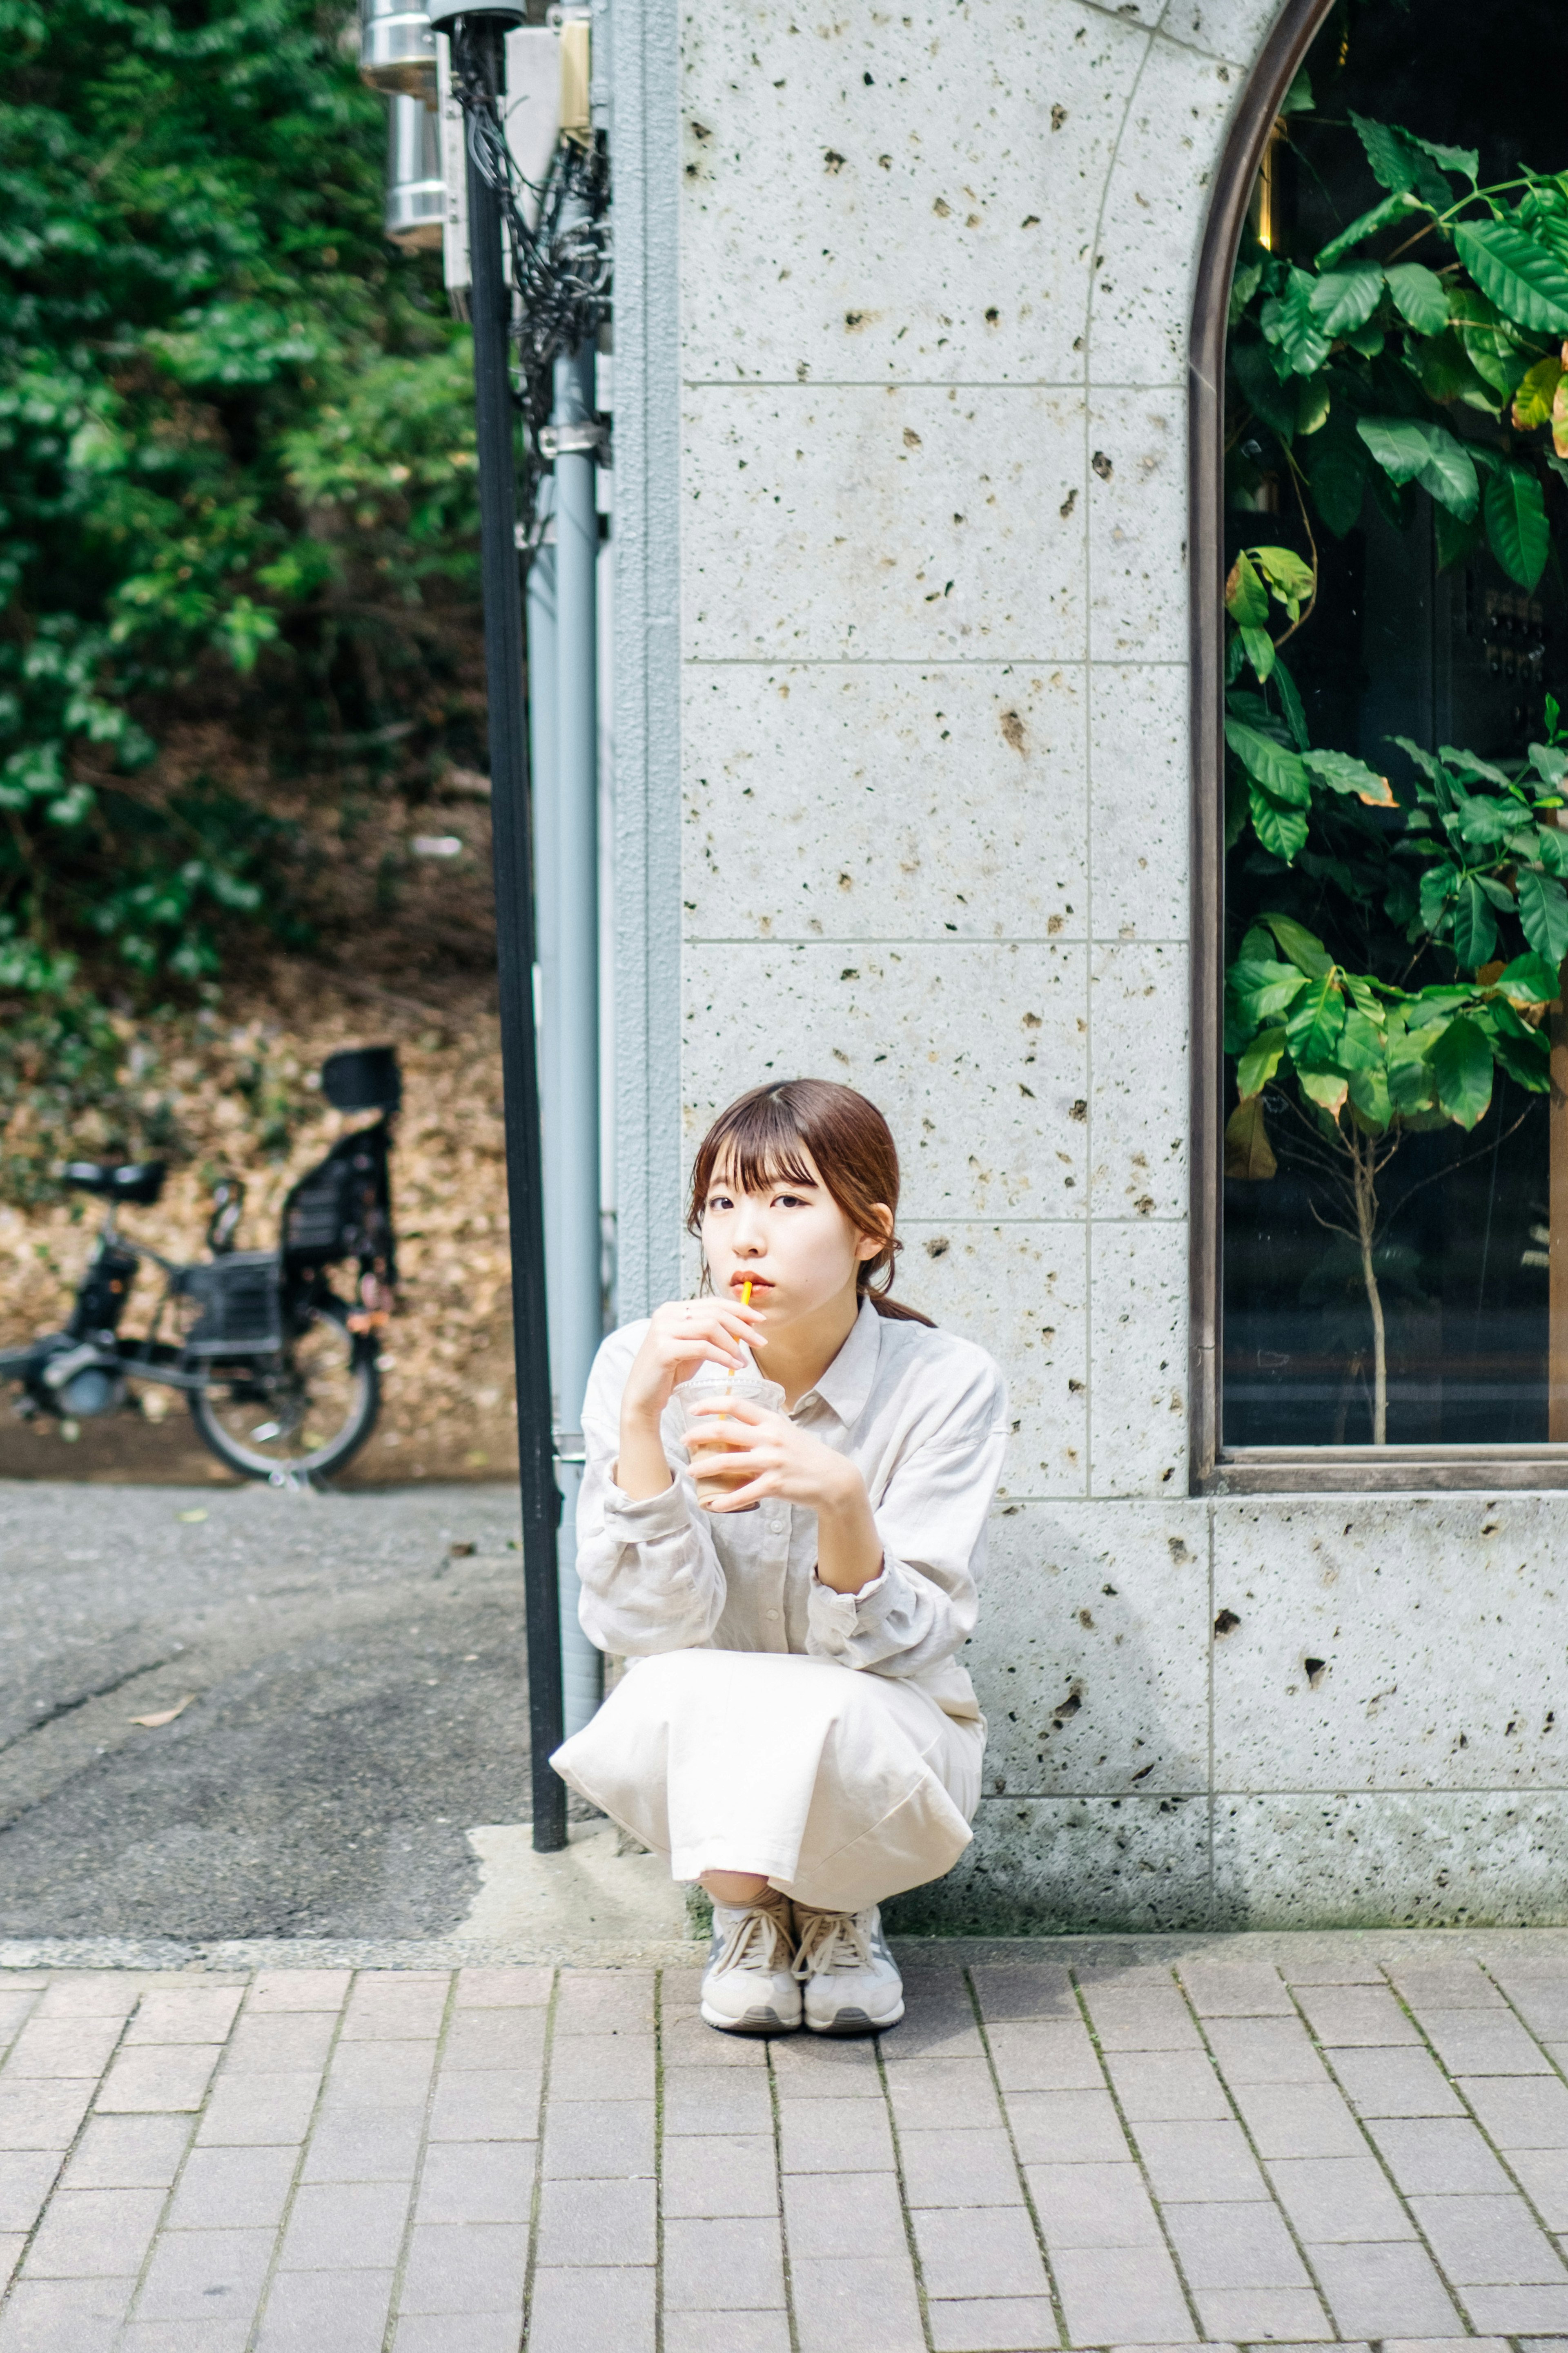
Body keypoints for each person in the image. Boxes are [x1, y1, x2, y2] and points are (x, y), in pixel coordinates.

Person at [551, 1079, 1007, 2035]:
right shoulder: (645, 1362)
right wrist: (642, 1417)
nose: (744, 1238)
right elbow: (648, 1633)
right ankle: (750, 1915)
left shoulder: (946, 1381)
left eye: (788, 1201)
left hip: (883, 1725)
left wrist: (841, 1497)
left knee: (829, 1702)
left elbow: (904, 1649)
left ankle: (841, 1910)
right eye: (722, 1204)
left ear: (871, 1231)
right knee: (672, 1691)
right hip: (706, 1726)